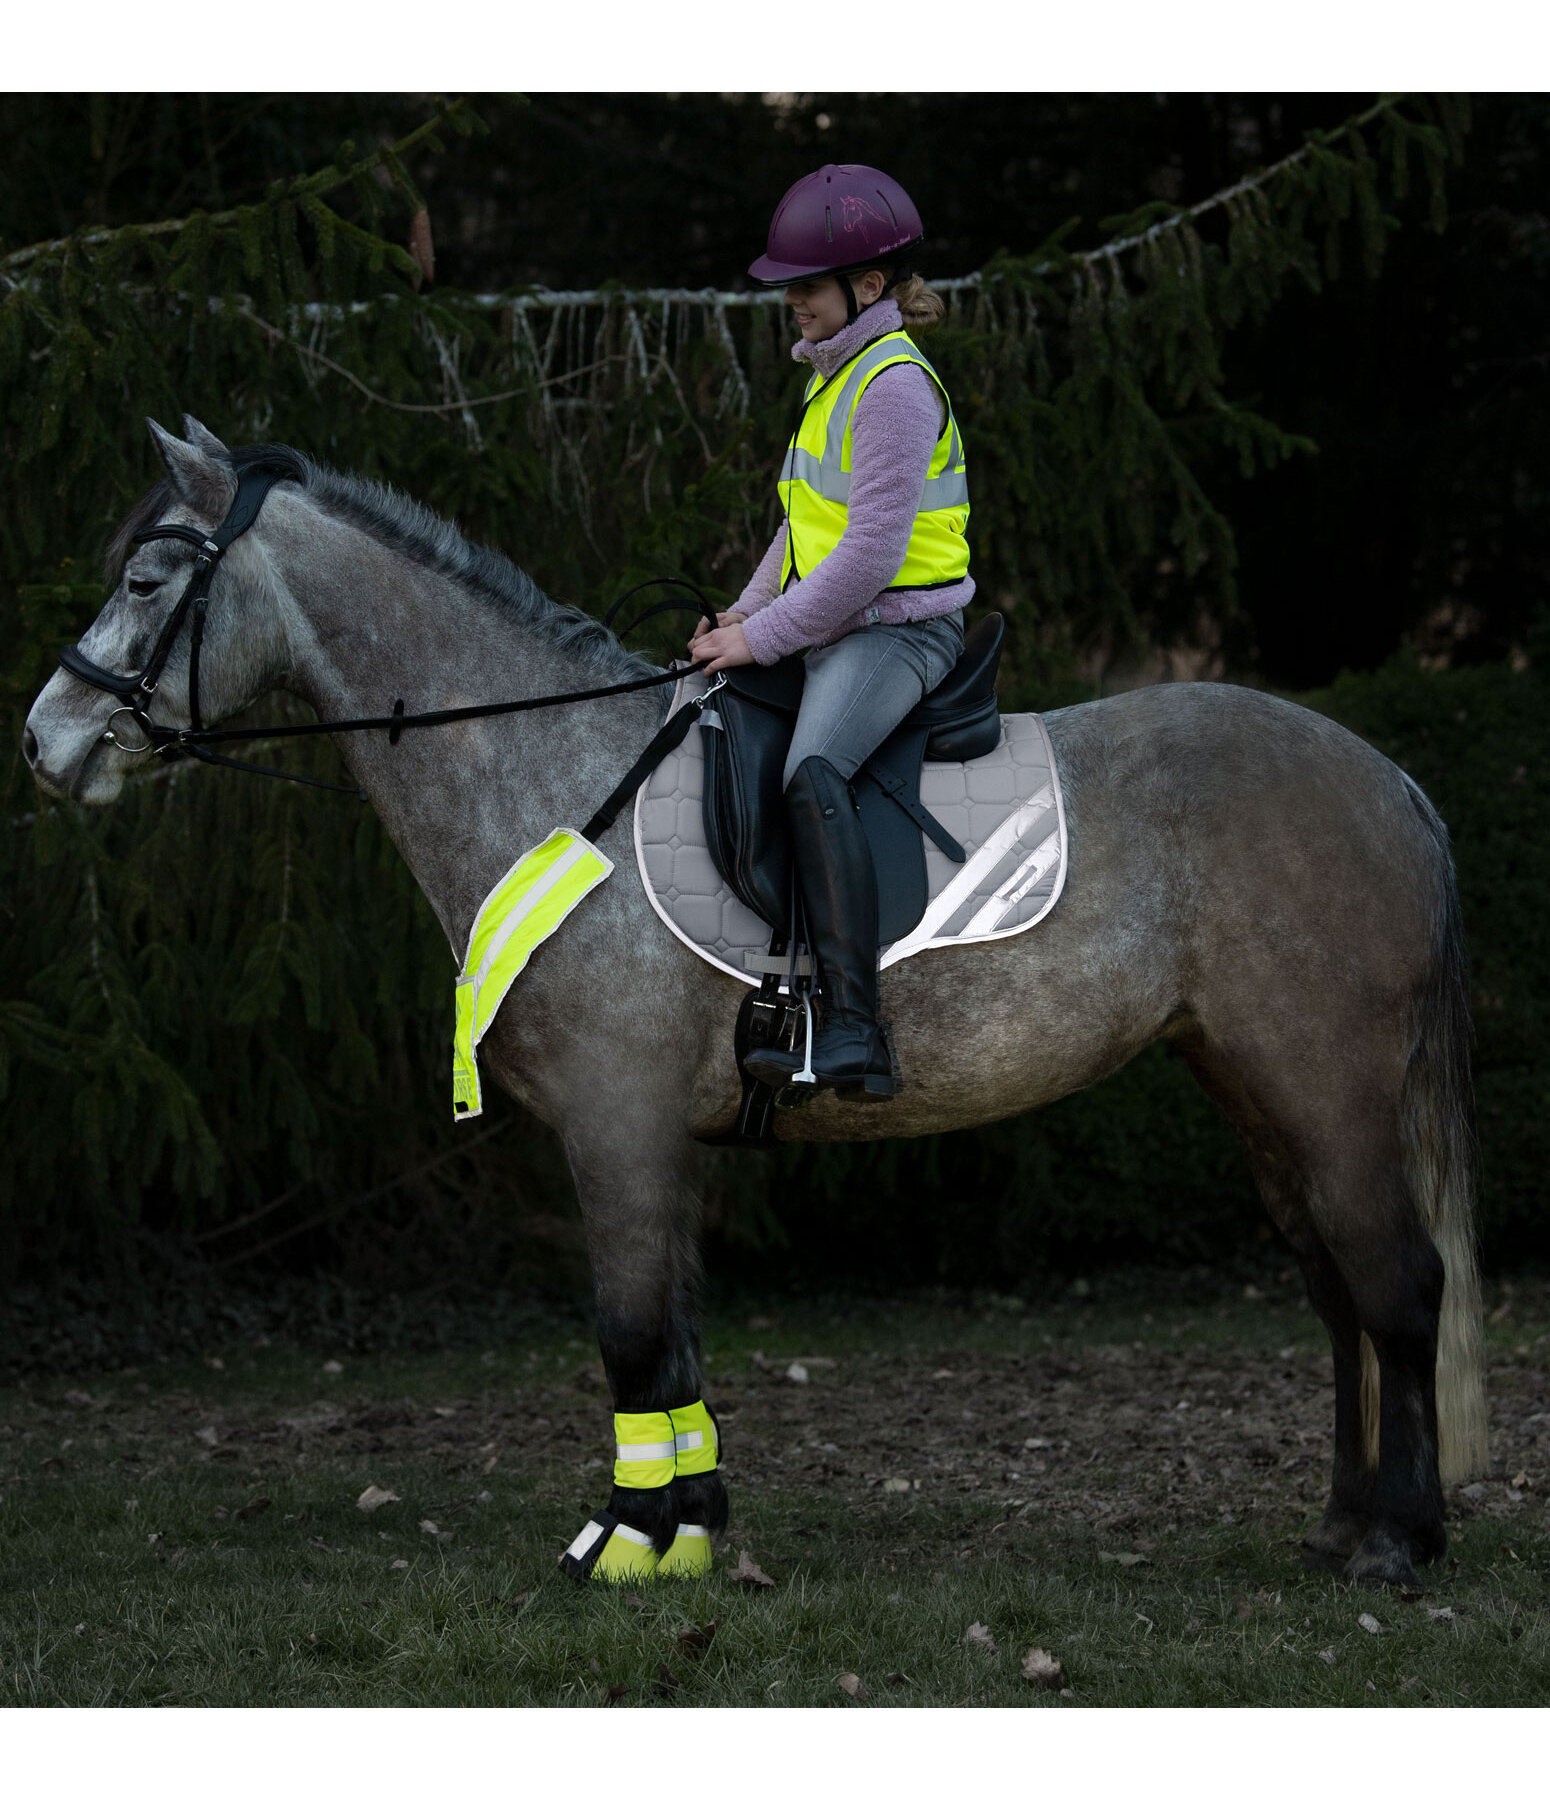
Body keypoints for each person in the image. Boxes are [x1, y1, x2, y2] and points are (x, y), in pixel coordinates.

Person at [688, 163, 973, 1102]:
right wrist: (743, 610)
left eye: (804, 287)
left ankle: (856, 1025)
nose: (792, 303)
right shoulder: (834, 379)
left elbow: (865, 562)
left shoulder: (891, 386)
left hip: (900, 630)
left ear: (868, 287)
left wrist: (762, 640)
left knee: (813, 771)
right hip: (841, 620)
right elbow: (800, 527)